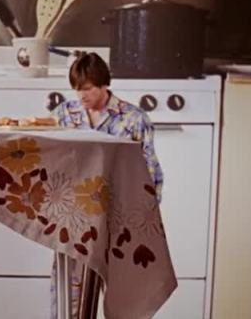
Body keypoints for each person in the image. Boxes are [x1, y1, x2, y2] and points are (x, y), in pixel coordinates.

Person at [48, 52, 164, 318]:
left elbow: (152, 175)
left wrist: (139, 222)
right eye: (77, 89)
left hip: (117, 223)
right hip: (74, 222)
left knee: (125, 302)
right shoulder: (64, 115)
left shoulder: (134, 119)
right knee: (69, 303)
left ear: (103, 84)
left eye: (87, 88)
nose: (81, 96)